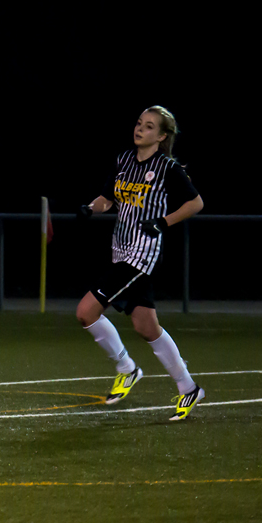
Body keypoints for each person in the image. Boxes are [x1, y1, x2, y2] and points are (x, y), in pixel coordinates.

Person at [76, 106, 205, 421]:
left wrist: (164, 222)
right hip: (120, 249)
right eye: (139, 123)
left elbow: (196, 203)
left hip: (142, 254)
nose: (140, 129)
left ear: (161, 136)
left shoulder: (167, 167)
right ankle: (188, 388)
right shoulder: (123, 161)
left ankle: (126, 368)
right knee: (145, 326)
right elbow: (108, 199)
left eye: (149, 127)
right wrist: (91, 208)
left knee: (85, 311)